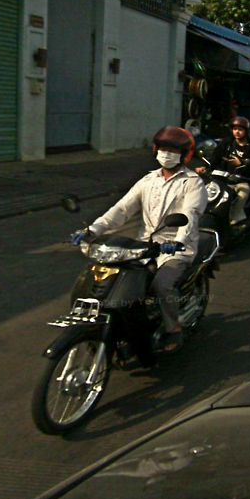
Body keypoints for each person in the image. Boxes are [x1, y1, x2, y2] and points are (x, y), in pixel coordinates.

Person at [79, 126, 207, 354]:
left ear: (184, 155)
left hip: (175, 248)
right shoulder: (148, 180)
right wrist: (92, 230)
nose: (166, 154)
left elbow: (190, 215)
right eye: (163, 149)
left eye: (173, 150)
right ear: (156, 150)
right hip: (143, 246)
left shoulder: (192, 182)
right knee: (115, 277)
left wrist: (177, 242)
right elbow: (121, 209)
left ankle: (173, 328)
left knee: (161, 285)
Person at [206, 116, 250, 225]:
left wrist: (241, 163)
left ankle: (237, 216)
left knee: (243, 192)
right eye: (235, 129)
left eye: (240, 129)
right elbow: (215, 157)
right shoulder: (227, 144)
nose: (237, 132)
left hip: (242, 180)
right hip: (223, 179)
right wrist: (205, 167)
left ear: (246, 131)